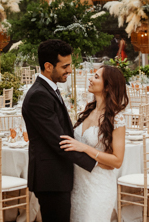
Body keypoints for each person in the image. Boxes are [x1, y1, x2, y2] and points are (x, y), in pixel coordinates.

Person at [22, 39, 96, 222]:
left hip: (57, 176)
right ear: (48, 66)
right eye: (65, 66)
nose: (70, 70)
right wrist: (95, 163)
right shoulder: (38, 95)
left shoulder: (49, 89)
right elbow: (60, 140)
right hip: (51, 179)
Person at [60, 64, 130, 222]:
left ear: (107, 86)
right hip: (77, 185)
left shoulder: (116, 118)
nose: (90, 79)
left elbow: (117, 161)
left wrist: (84, 148)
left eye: (96, 77)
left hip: (99, 187)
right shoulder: (89, 110)